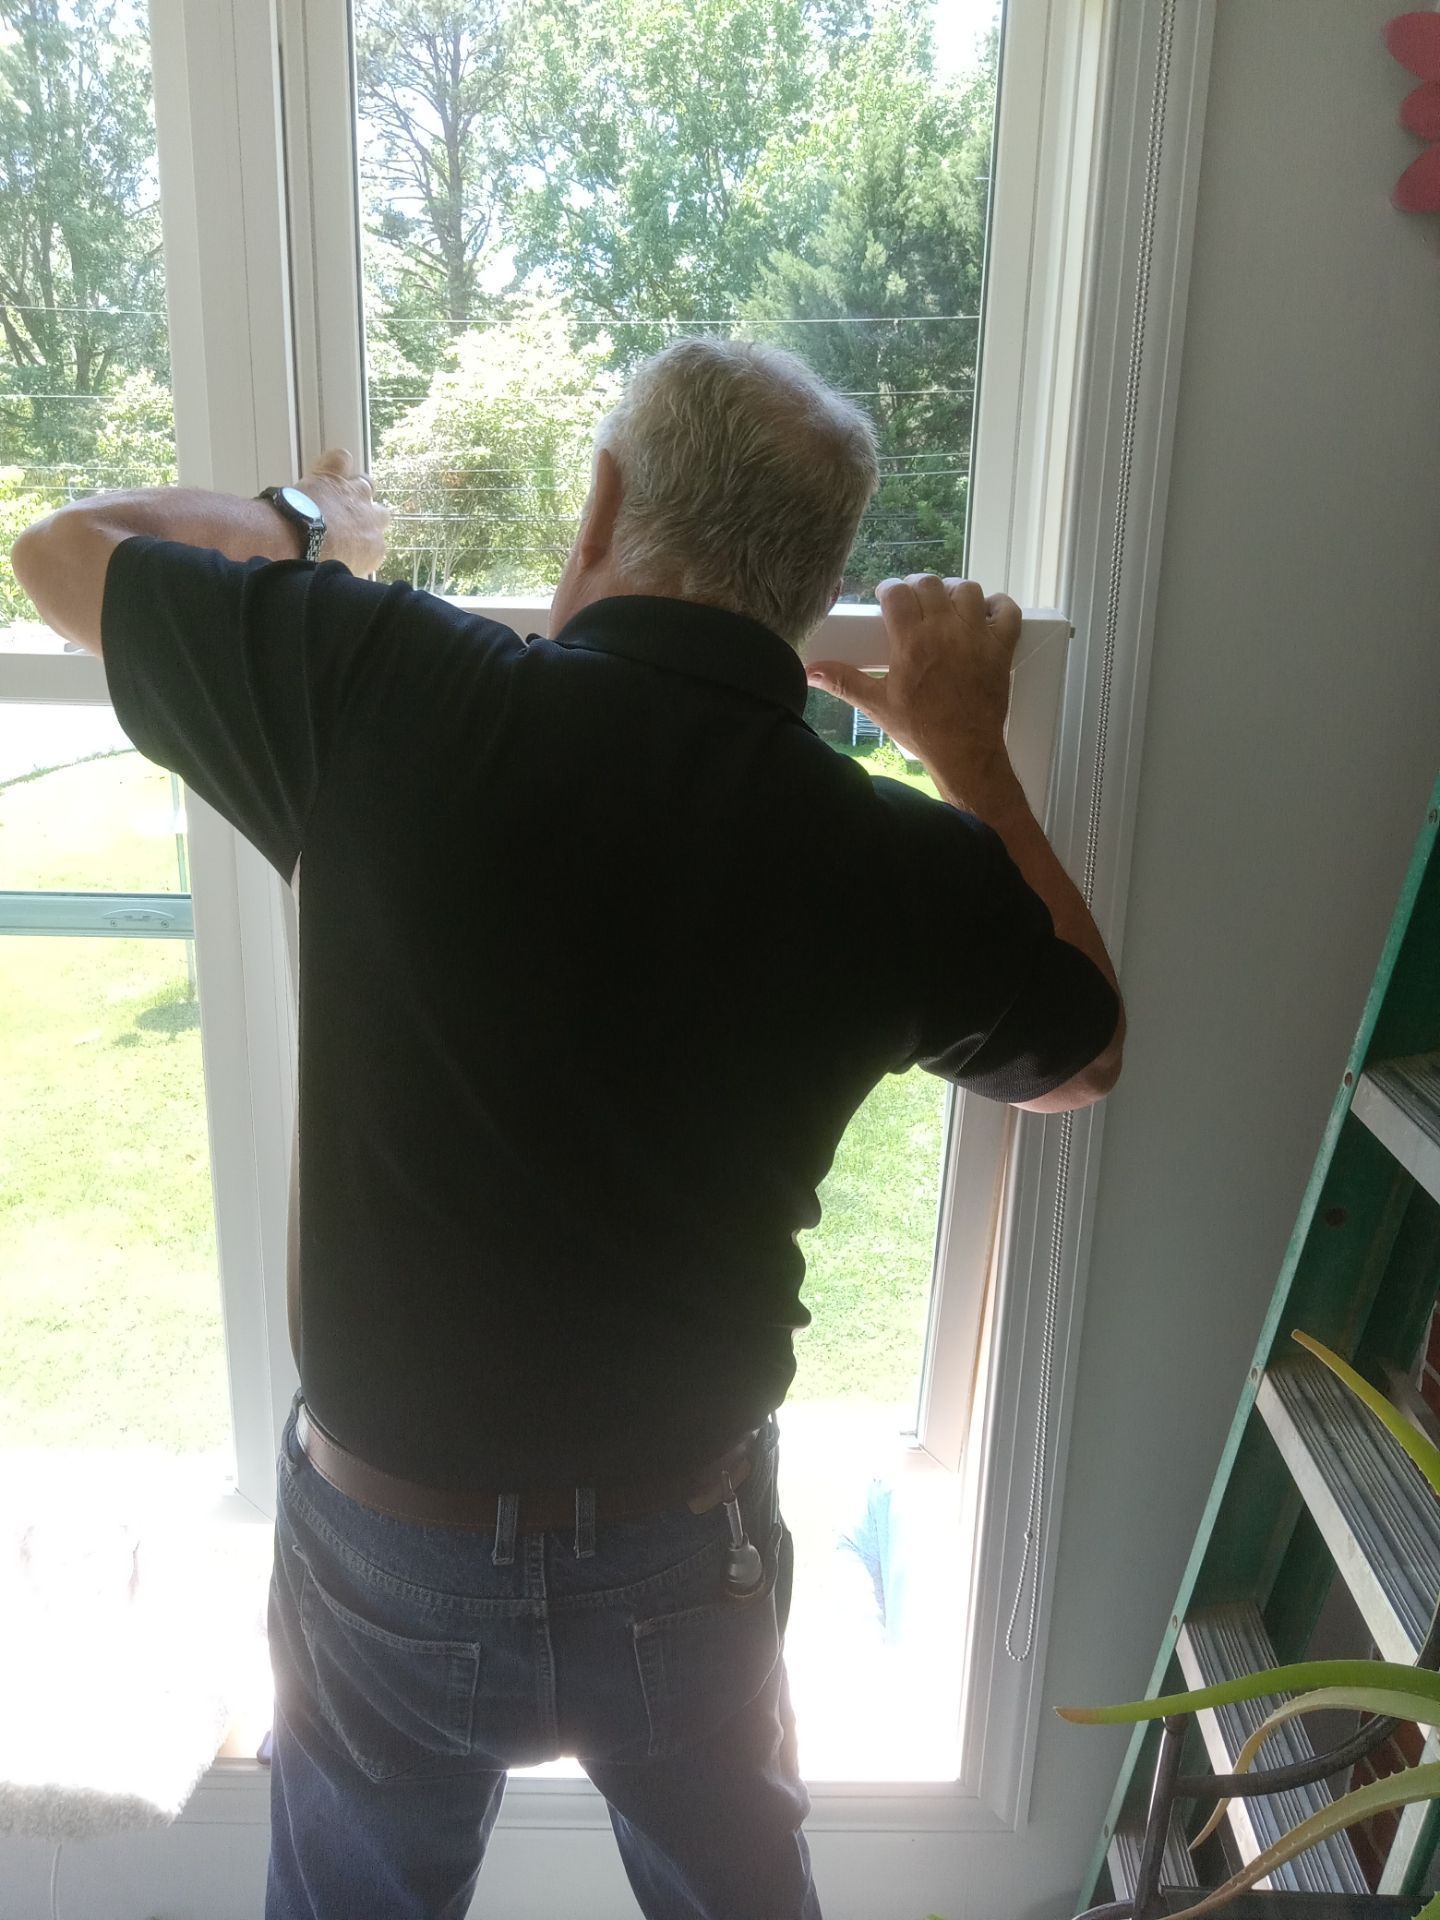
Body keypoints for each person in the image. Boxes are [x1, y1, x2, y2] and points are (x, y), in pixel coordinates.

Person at [12, 336, 1124, 1920]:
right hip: (686, 1553)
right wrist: (972, 756)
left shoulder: (379, 685)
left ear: (599, 505)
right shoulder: (885, 860)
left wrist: (313, 518)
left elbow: (63, 555)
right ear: (812, 594)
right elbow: (1086, 1054)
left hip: (393, 1542)